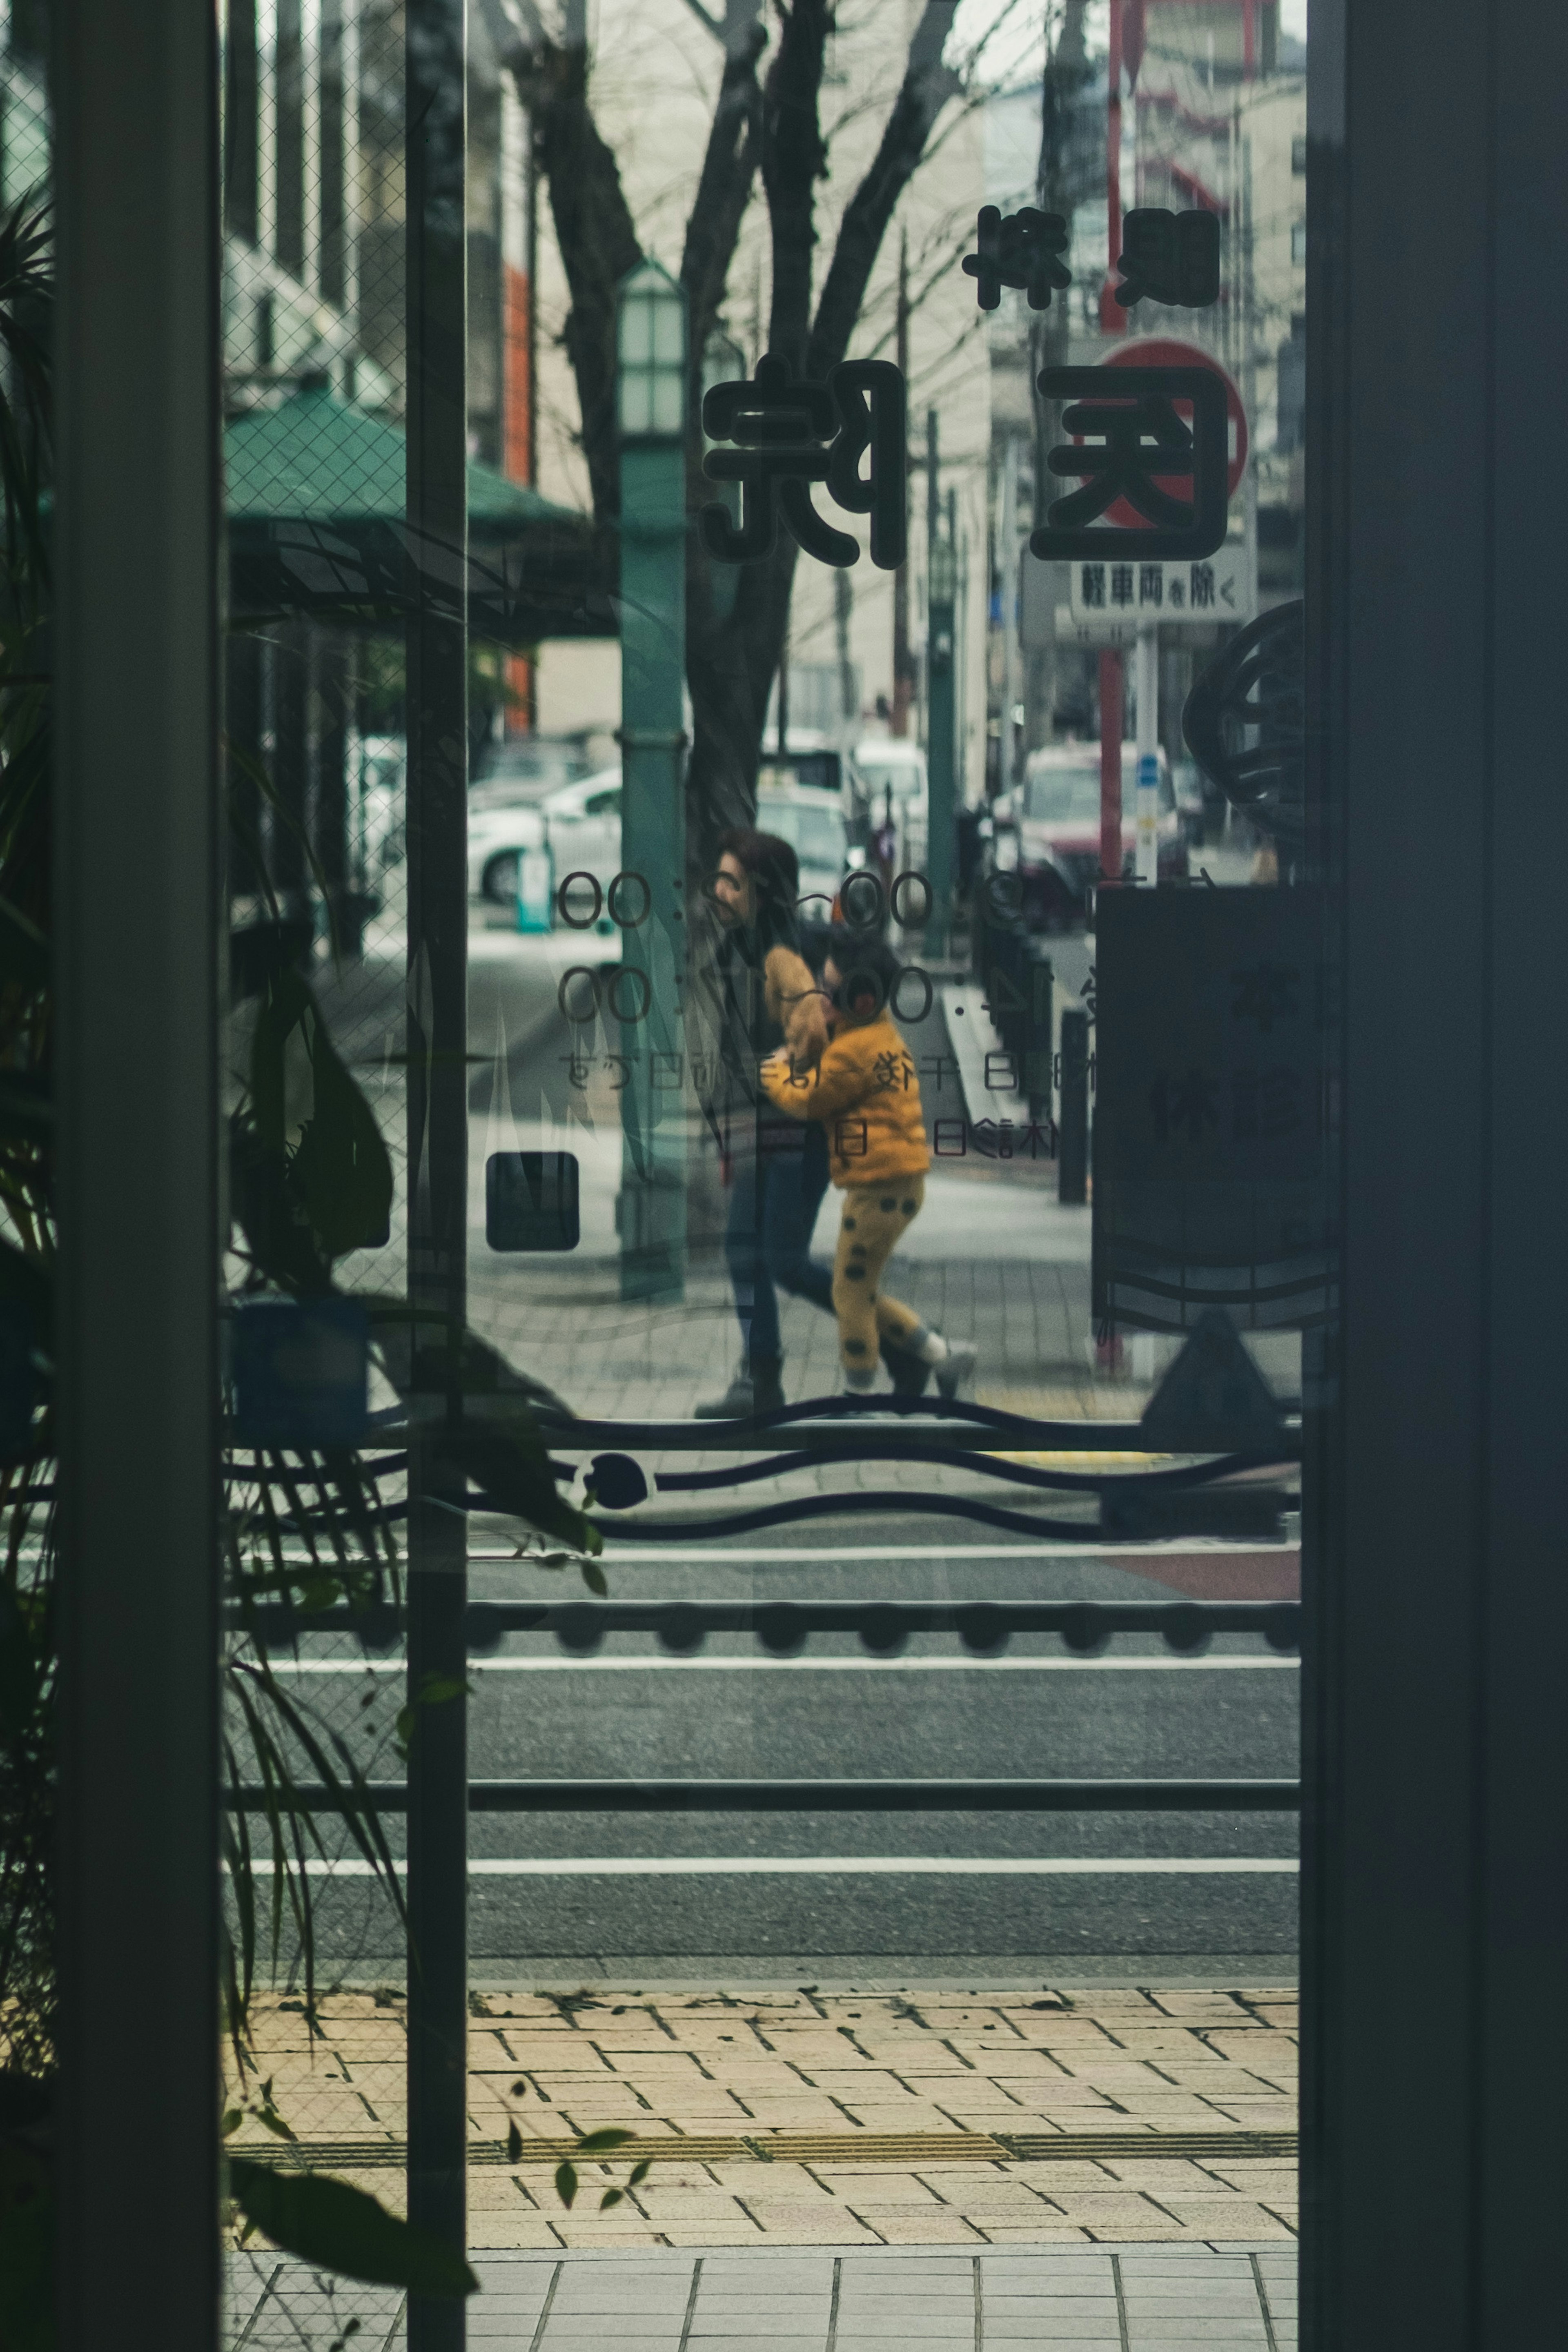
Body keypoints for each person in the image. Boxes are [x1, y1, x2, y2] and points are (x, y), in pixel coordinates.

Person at [693, 833, 930, 1417]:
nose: (719, 892)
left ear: (765, 891)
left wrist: (840, 1011)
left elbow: (876, 971)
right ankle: (762, 1379)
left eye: (733, 882)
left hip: (801, 1128)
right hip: (757, 1122)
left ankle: (904, 1346)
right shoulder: (738, 949)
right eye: (718, 879)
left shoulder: (804, 945)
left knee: (783, 1259)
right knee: (748, 1252)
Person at [760, 930, 976, 1398]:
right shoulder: (871, 1033)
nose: (821, 992)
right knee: (859, 1287)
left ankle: (859, 1394)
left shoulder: (855, 1052)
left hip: (880, 1188)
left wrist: (775, 1072)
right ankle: (941, 1354)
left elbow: (811, 1099)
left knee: (849, 1293)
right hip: (893, 1185)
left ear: (860, 999)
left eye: (831, 989)